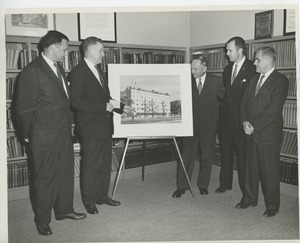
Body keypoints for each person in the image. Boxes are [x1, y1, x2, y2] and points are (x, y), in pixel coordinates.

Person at [14, 30, 87, 236]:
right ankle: (42, 220)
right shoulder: (32, 71)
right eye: (64, 49)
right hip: (43, 137)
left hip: (63, 134)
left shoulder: (58, 68)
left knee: (65, 175)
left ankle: (64, 211)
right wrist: (27, 135)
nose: (66, 53)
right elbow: (23, 109)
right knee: (44, 179)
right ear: (53, 47)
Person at [69, 36, 126, 215]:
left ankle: (102, 195)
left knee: (104, 163)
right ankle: (89, 200)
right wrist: (103, 107)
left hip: (104, 126)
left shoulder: (98, 69)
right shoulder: (78, 72)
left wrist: (123, 108)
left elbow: (105, 98)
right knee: (91, 164)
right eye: (101, 50)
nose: (103, 54)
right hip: (90, 128)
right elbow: (76, 101)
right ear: (91, 50)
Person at [235, 46, 288, 217]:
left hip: (268, 134)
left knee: (269, 171)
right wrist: (244, 122)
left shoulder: (281, 81)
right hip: (250, 131)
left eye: (257, 59)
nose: (254, 63)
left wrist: (253, 125)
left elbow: (273, 110)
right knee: (251, 168)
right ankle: (249, 198)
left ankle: (272, 205)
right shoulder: (253, 79)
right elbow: (243, 103)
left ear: (267, 60)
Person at [172, 56, 225, 198]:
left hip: (209, 126)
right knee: (186, 156)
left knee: (207, 156)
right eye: (191, 68)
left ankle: (203, 185)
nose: (192, 71)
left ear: (205, 68)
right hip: (190, 126)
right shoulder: (186, 81)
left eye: (195, 69)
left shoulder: (216, 81)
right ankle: (181, 186)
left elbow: (225, 101)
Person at [216, 37, 256, 199]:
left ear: (240, 50)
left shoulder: (253, 68)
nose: (227, 53)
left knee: (243, 158)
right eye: (227, 50)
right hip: (226, 120)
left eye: (230, 50)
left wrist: (248, 120)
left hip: (242, 121)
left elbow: (253, 98)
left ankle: (247, 193)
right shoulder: (227, 70)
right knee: (225, 153)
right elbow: (225, 95)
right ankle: (225, 184)